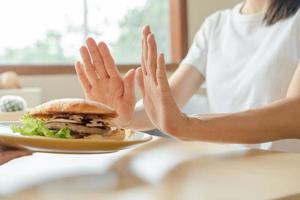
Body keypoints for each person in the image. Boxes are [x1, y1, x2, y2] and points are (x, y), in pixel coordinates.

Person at [75, 0, 300, 144]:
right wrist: (123, 116)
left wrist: (189, 126)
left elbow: (295, 114)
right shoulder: (216, 25)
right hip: (226, 170)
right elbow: (168, 101)